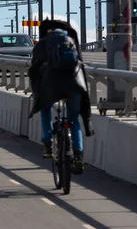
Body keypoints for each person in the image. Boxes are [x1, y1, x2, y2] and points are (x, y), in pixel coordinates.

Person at [28, 19, 94, 174]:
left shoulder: (43, 44)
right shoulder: (71, 42)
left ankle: (48, 144)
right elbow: (81, 68)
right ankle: (78, 156)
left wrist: (36, 92)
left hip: (51, 86)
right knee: (74, 121)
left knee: (45, 109)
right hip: (74, 85)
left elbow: (34, 70)